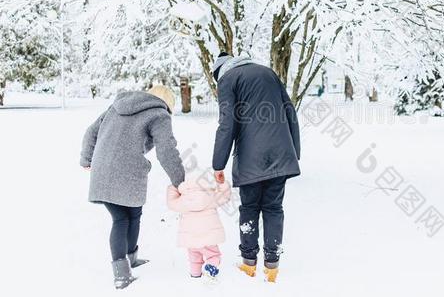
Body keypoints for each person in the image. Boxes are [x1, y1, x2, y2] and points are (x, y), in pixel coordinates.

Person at [80, 86, 185, 289]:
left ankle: (131, 258)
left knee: (131, 214)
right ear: (168, 102)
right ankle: (121, 274)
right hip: (127, 171)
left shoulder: (116, 106)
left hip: (103, 171)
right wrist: (180, 181)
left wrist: (87, 158)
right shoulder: (159, 113)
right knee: (123, 218)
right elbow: (167, 150)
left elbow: (90, 132)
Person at [211, 52, 301, 283]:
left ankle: (249, 264)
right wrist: (294, 151)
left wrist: (218, 164)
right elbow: (290, 111)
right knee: (273, 207)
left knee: (249, 207)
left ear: (219, 70)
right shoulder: (268, 72)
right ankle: (272, 267)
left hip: (251, 156)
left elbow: (227, 123)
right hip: (281, 154)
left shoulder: (227, 79)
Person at [166, 175, 231, 280]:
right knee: (213, 255)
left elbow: (171, 203)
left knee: (194, 257)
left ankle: (195, 274)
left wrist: (173, 186)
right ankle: (210, 269)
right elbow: (225, 195)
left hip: (190, 237)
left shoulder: (183, 200)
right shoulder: (210, 196)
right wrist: (222, 183)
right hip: (209, 236)